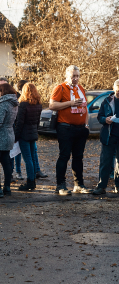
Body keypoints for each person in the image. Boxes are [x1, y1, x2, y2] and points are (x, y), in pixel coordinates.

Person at [49, 65, 93, 195]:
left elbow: (86, 108)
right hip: (65, 127)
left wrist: (86, 125)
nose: (75, 79)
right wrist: (70, 103)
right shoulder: (60, 87)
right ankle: (60, 185)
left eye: (77, 76)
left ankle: (78, 185)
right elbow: (52, 105)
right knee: (64, 155)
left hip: (80, 128)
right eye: (73, 76)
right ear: (67, 75)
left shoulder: (81, 88)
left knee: (78, 157)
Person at [15, 80, 48, 180]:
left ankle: (30, 180)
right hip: (33, 133)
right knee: (33, 156)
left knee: (27, 158)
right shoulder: (38, 105)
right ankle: (33, 177)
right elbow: (37, 121)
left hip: (24, 134)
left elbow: (20, 122)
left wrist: (16, 136)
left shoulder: (23, 104)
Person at [93, 79, 119, 195]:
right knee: (105, 162)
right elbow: (100, 116)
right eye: (118, 90)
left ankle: (118, 186)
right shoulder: (107, 101)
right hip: (109, 135)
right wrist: (106, 119)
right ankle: (101, 186)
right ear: (114, 89)